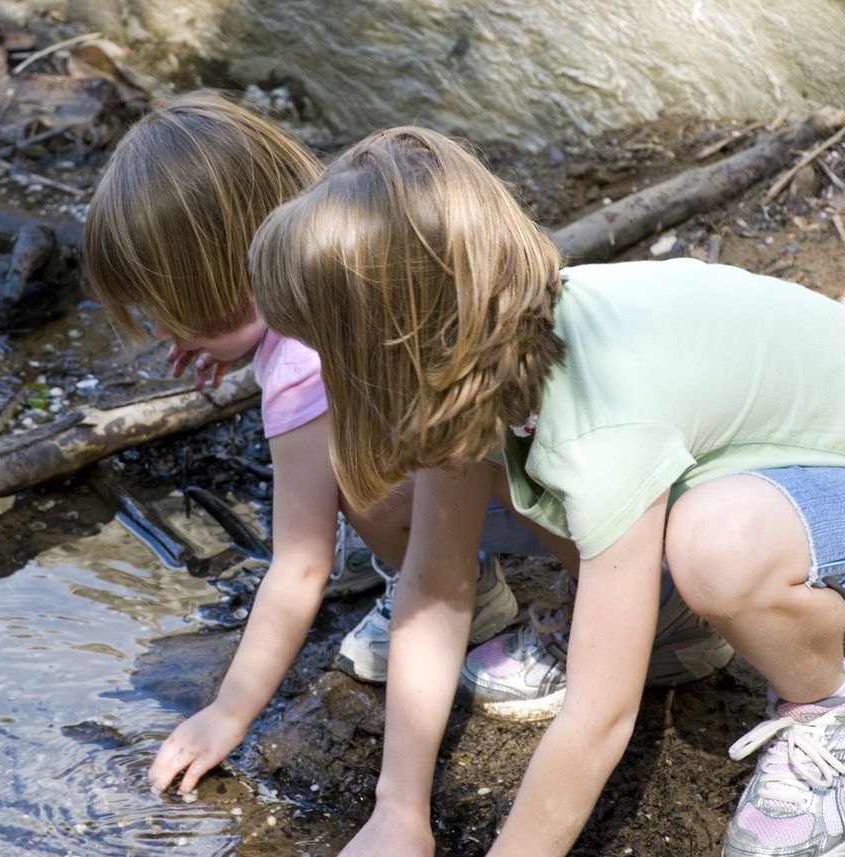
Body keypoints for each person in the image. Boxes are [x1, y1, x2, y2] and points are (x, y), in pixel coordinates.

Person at [248, 123, 845, 857]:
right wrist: (398, 811)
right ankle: (670, 625)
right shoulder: (476, 360)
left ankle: (825, 702)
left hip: (821, 474)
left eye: (324, 350)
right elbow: (435, 586)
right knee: (647, 519)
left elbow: (599, 717)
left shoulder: (601, 421)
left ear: (392, 344)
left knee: (718, 545)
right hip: (762, 463)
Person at [82, 92, 562, 797]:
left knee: (356, 480)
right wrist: (240, 343)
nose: (159, 333)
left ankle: (465, 593)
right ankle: (456, 574)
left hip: (540, 495)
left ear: (219, 280)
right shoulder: (348, 246)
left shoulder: (298, 367)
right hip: (549, 460)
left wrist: (228, 710)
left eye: (163, 310)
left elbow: (299, 565)